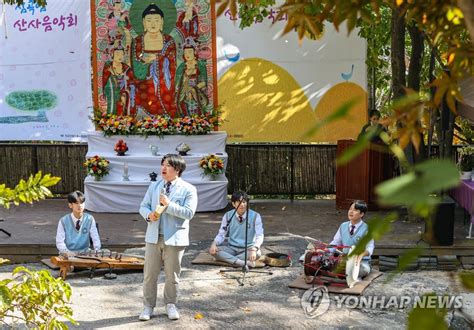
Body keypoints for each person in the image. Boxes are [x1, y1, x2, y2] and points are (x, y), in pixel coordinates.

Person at [138, 154, 198, 321]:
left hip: (175, 238)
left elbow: (189, 213)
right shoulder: (154, 186)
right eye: (162, 164)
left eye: (168, 165)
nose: (163, 168)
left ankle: (170, 304)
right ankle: (148, 306)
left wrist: (169, 205)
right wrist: (149, 215)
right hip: (153, 236)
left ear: (177, 169)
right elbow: (143, 206)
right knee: (149, 274)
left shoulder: (189, 189)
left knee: (172, 275)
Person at [131, 3, 177, 117]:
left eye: (156, 20)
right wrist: (148, 61)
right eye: (149, 20)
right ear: (143, 23)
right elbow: (135, 68)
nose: (153, 23)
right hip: (144, 88)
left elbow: (172, 63)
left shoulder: (169, 41)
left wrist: (155, 58)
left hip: (164, 88)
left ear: (162, 22)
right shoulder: (137, 41)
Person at [209, 191, 264, 268]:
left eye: (244, 202)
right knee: (213, 251)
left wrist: (254, 249)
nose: (242, 204)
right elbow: (221, 234)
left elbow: (260, 235)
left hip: (248, 249)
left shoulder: (255, 216)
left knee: (258, 254)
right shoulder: (228, 215)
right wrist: (214, 244)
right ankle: (242, 263)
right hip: (231, 248)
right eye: (239, 202)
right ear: (233, 204)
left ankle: (227, 259)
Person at [327, 200, 374, 279]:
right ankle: (346, 274)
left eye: (355, 210)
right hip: (344, 260)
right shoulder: (343, 226)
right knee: (324, 263)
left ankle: (347, 274)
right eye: (350, 209)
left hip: (360, 262)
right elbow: (335, 242)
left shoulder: (367, 229)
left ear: (362, 214)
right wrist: (325, 250)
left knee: (364, 270)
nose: (351, 212)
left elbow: (370, 247)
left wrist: (360, 255)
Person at [55, 191, 101, 255]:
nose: (79, 205)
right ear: (70, 205)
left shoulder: (90, 219)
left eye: (82, 203)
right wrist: (67, 253)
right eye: (76, 203)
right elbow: (60, 242)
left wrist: (97, 250)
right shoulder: (63, 221)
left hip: (85, 253)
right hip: (67, 253)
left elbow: (95, 237)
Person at [176, 38, 209, 116]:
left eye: (190, 52)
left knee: (198, 111)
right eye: (185, 52)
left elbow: (204, 82)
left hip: (197, 92)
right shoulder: (182, 67)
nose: (187, 54)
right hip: (184, 94)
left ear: (194, 52)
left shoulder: (200, 65)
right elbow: (177, 83)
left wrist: (194, 88)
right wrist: (184, 88)